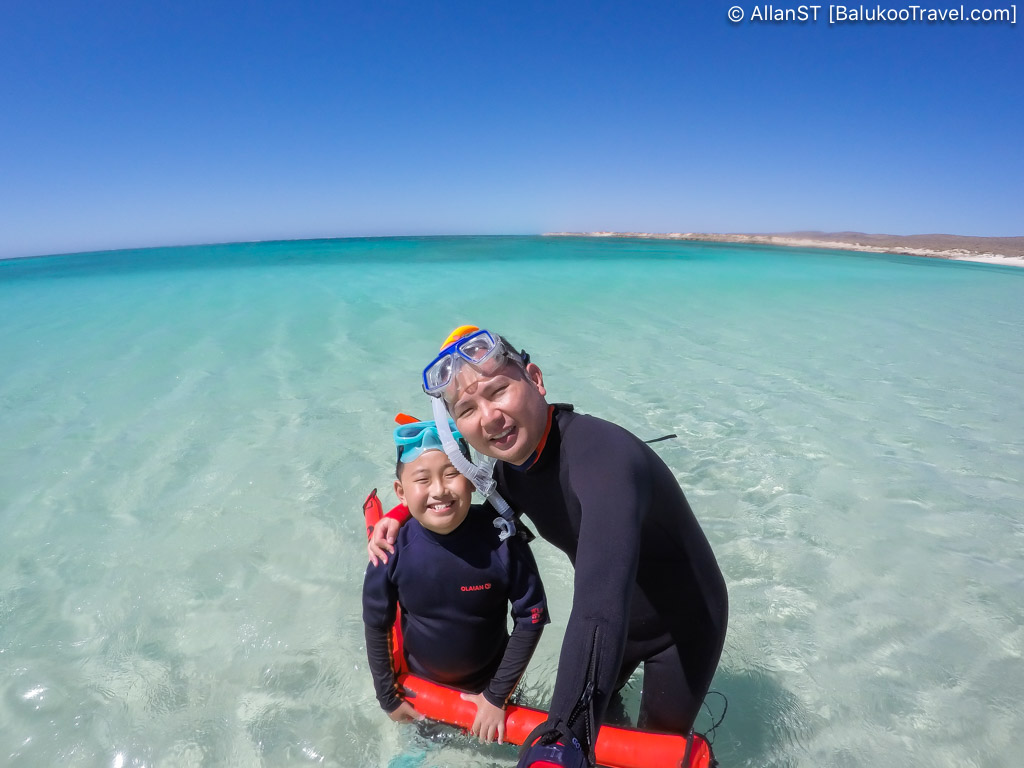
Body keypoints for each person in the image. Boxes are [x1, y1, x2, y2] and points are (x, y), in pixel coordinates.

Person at [369, 327, 728, 768]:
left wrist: (560, 736)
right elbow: (468, 513)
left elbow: (598, 605)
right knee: (603, 731)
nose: (488, 417)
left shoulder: (606, 458)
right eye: (467, 409)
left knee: (650, 752)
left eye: (498, 391)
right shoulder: (512, 473)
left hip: (682, 627)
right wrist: (399, 516)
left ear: (535, 379)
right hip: (613, 627)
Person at [362, 417, 549, 745]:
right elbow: (376, 624)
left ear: (473, 481)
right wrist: (388, 698)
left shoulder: (502, 538)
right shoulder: (389, 549)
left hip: (493, 684)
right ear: (400, 492)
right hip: (423, 688)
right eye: (423, 479)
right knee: (428, 746)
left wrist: (496, 696)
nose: (439, 490)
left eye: (452, 474)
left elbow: (531, 617)